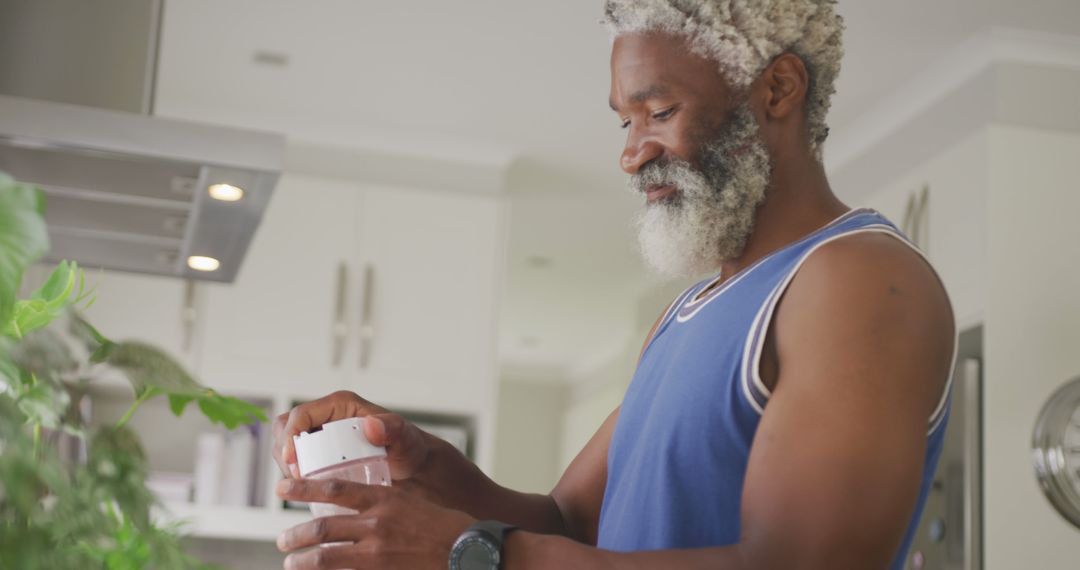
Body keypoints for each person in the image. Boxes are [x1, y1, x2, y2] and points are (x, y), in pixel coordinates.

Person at [270, 1, 956, 568]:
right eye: (625, 120)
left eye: (659, 112)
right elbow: (569, 521)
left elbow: (799, 564)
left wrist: (475, 555)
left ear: (777, 89)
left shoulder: (858, 279)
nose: (631, 153)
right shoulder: (690, 310)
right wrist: (426, 467)